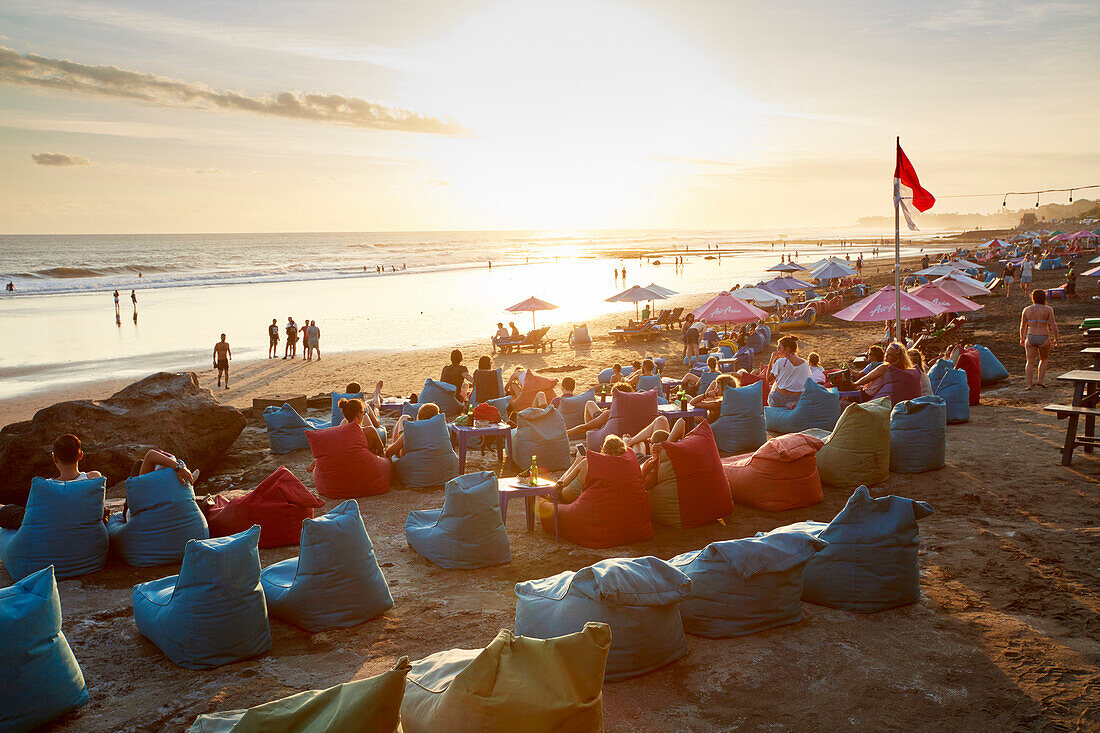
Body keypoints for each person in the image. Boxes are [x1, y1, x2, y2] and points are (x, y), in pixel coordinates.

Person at [0, 434, 105, 529]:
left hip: (49, 522)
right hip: (80, 525)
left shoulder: (45, 485)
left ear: (54, 458)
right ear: (80, 455)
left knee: (8, 511)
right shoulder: (93, 477)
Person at [1020, 289, 1058, 389]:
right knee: (1043, 359)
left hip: (1031, 336)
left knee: (1030, 361)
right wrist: (1056, 338)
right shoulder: (1048, 309)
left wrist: (1022, 338)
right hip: (1044, 336)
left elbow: (1022, 326)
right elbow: (1053, 325)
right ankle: (1040, 381)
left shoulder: (1027, 309)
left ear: (1033, 298)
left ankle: (1029, 384)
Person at [565, 383, 634, 438]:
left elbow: (585, 427)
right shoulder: (633, 412)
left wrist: (565, 433)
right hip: (606, 421)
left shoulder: (609, 414)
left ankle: (588, 436)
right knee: (590, 403)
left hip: (602, 427)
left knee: (589, 405)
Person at [767, 336, 811, 409]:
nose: (777, 351)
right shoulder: (805, 363)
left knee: (773, 386)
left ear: (787, 349)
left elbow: (768, 379)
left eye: (779, 348)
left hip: (780, 399)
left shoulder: (781, 361)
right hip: (797, 399)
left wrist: (771, 361)